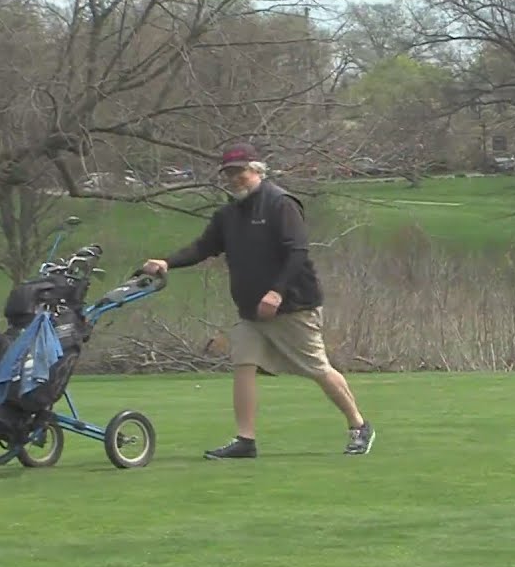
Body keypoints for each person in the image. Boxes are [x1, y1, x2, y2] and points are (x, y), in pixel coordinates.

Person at [140, 143, 375, 459]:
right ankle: (245, 440)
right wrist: (168, 262)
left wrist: (277, 292)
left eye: (240, 172)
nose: (234, 179)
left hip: (293, 306)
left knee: (317, 368)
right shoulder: (228, 214)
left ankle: (359, 425)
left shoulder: (280, 204)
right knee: (243, 366)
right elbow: (202, 248)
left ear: (257, 170)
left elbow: (297, 251)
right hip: (251, 311)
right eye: (228, 174)